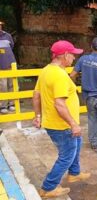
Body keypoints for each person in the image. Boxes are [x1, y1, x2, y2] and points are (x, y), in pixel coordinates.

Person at [32, 40, 90, 198]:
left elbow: (36, 95)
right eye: (72, 55)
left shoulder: (46, 70)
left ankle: (74, 173)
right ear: (65, 55)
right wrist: (73, 124)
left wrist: (38, 116)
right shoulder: (59, 75)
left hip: (54, 122)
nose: (74, 58)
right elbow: (59, 104)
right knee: (66, 156)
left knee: (76, 146)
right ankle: (48, 187)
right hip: (62, 125)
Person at [0, 21, 16, 114]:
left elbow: (12, 46)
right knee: (3, 86)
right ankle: (3, 105)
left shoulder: (8, 36)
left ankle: (12, 104)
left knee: (12, 84)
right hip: (1, 67)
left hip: (10, 64)